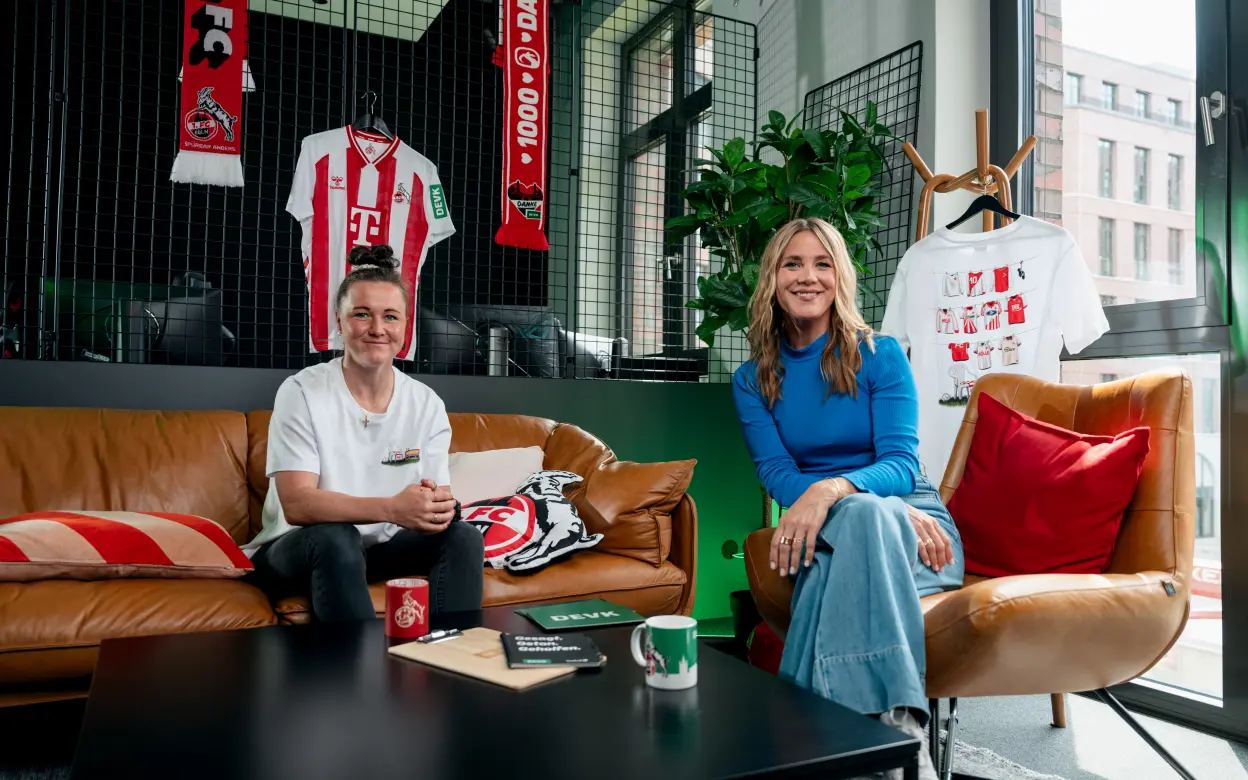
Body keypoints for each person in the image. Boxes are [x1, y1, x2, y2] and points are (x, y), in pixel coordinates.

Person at [732, 218, 963, 780]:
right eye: (793, 264)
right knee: (861, 517)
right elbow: (776, 473)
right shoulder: (752, 379)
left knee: (863, 515)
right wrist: (846, 504)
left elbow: (903, 465)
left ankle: (823, 744)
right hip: (830, 530)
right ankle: (896, 737)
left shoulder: (880, 355)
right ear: (772, 279)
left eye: (822, 263)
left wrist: (837, 489)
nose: (807, 277)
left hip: (917, 526)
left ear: (840, 278)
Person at [243, 244, 485, 622]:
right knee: (336, 536)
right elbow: (299, 504)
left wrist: (439, 508)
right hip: (299, 549)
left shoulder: (426, 404)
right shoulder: (302, 391)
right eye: (362, 314)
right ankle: (355, 677)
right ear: (340, 323)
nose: (377, 329)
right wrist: (391, 508)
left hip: (381, 550)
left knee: (463, 537)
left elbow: (433, 498)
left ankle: (452, 657)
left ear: (405, 329)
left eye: (391, 317)